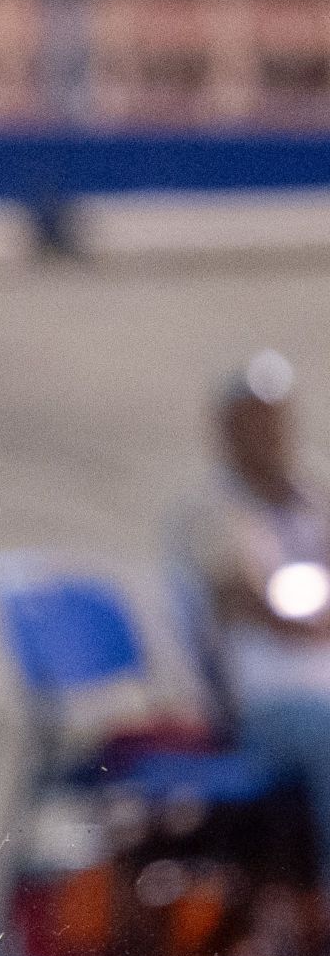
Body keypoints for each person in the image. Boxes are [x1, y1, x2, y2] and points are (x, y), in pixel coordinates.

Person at [167, 351, 330, 883]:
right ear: (228, 429)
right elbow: (257, 604)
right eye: (255, 420)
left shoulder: (309, 503)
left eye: (277, 418)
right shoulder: (211, 513)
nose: (270, 434)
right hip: (260, 705)